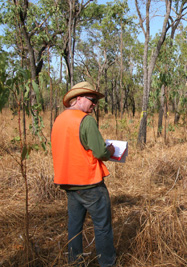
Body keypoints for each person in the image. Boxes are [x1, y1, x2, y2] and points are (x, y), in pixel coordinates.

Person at [51, 81, 116, 267]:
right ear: (78, 98)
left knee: (74, 227)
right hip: (90, 184)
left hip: (68, 183)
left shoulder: (59, 120)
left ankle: (75, 262)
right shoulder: (85, 120)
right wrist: (110, 150)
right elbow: (101, 153)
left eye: (95, 101)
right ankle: (107, 264)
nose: (94, 104)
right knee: (102, 227)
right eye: (92, 100)